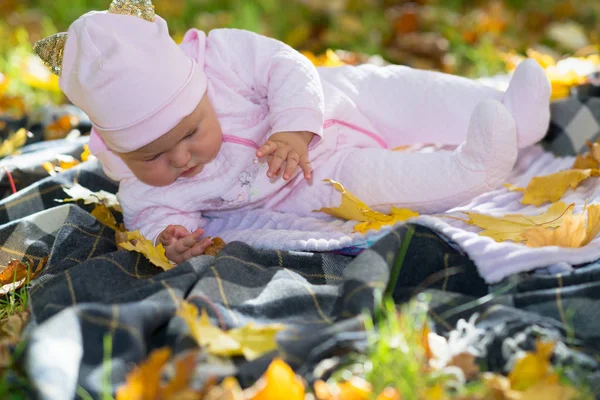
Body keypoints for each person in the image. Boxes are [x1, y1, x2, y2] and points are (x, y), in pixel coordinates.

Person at [34, 0, 550, 264]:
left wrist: (295, 126)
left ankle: (511, 112)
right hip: (310, 180)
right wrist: (167, 241)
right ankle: (471, 168)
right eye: (153, 155)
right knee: (375, 184)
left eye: (191, 132)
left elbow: (287, 65)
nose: (181, 159)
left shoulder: (223, 58)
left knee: (405, 91)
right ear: (123, 152)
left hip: (333, 102)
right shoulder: (141, 180)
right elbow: (151, 212)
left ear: (199, 91)